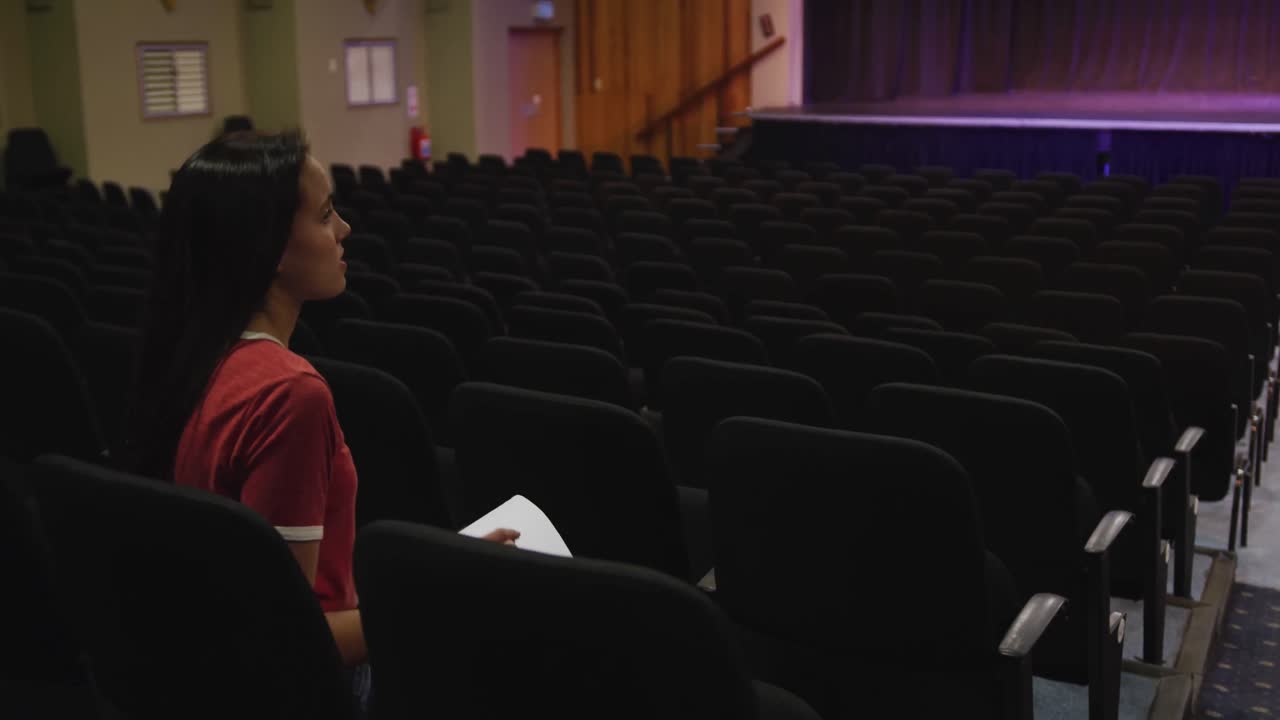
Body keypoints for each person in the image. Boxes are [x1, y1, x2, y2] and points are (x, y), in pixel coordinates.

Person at [129, 131, 517, 672]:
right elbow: (290, 643)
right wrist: (447, 589)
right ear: (270, 247)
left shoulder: (188, 358)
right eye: (326, 214)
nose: (344, 230)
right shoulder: (290, 396)